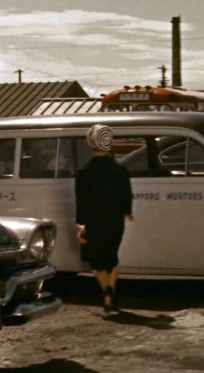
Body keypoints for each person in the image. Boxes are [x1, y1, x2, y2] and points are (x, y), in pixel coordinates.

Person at [75, 124, 134, 316]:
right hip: (115, 219)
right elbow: (127, 194)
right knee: (112, 257)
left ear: (90, 144)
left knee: (96, 261)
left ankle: (105, 290)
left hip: (94, 221)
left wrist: (81, 225)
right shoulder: (120, 170)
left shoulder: (84, 173)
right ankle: (112, 289)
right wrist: (128, 211)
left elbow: (81, 201)